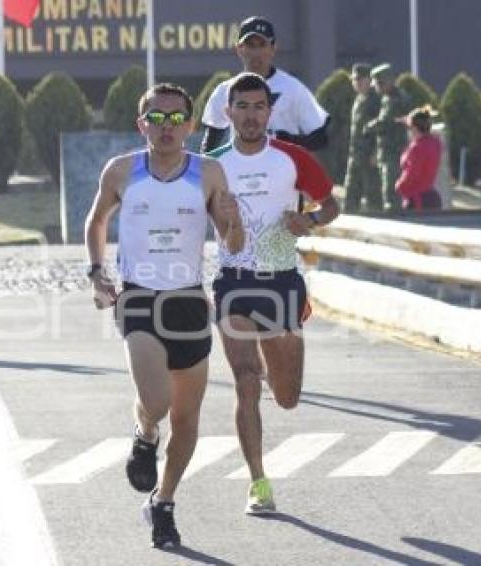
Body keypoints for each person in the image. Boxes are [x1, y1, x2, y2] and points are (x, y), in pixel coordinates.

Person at [84, 83, 244, 548]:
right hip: (138, 299)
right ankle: (145, 431)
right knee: (157, 401)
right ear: (142, 125)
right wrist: (97, 272)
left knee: (188, 418)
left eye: (177, 119)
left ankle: (163, 503)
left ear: (191, 126)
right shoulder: (121, 171)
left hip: (188, 300)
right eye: (157, 118)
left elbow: (231, 245)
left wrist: (231, 221)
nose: (167, 127)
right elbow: (96, 221)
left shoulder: (209, 173)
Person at [207, 72, 338, 515]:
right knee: (246, 382)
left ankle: (273, 365)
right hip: (234, 280)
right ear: (228, 113)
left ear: (270, 112)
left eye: (258, 107)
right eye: (241, 107)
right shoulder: (213, 164)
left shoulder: (292, 157)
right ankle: (258, 481)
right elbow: (211, 226)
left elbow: (330, 203)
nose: (249, 115)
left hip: (282, 281)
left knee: (287, 396)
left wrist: (312, 222)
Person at [201, 15, 330, 154]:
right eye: (251, 45)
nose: (256, 52)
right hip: (241, 171)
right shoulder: (225, 90)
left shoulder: (293, 88)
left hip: (284, 170)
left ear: (273, 48)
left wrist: (287, 140)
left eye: (262, 45)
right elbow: (210, 144)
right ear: (239, 49)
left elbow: (320, 138)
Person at [364, 63, 409, 212]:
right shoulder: (388, 98)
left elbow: (385, 123)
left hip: (393, 150)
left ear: (387, 82)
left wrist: (369, 127)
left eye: (379, 84)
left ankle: (394, 215)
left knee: (391, 187)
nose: (376, 87)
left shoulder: (393, 100)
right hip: (388, 149)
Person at [344, 63, 382, 213]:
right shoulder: (359, 100)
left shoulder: (376, 100)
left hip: (369, 156)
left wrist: (376, 152)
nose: (357, 82)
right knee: (351, 194)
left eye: (360, 79)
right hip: (356, 156)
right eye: (354, 79)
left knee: (373, 195)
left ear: (369, 80)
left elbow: (382, 128)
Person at [395, 105, 442, 211]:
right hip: (431, 197)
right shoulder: (435, 143)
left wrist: (399, 185)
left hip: (417, 200)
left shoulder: (417, 148)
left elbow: (412, 173)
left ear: (414, 128)